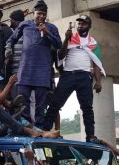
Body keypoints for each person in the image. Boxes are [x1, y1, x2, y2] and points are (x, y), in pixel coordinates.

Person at [43, 15, 105, 143]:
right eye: (79, 24)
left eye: (83, 24)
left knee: (87, 108)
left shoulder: (92, 43)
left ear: (89, 26)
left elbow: (97, 64)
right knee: (55, 104)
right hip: (68, 75)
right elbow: (60, 55)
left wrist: (98, 82)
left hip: (84, 77)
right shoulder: (71, 39)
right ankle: (45, 130)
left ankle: (90, 136)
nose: (80, 26)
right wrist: (66, 39)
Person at [5, 0, 62, 129]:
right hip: (25, 69)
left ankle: (39, 128)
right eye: (39, 13)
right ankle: (26, 127)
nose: (41, 16)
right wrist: (8, 49)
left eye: (44, 14)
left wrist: (47, 32)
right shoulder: (25, 25)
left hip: (43, 71)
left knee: (40, 104)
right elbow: (11, 39)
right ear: (33, 13)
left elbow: (58, 44)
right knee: (22, 100)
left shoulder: (52, 27)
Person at [0, 66, 60, 138]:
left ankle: (42, 133)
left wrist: (15, 103)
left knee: (17, 119)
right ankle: (31, 132)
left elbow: (7, 104)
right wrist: (9, 84)